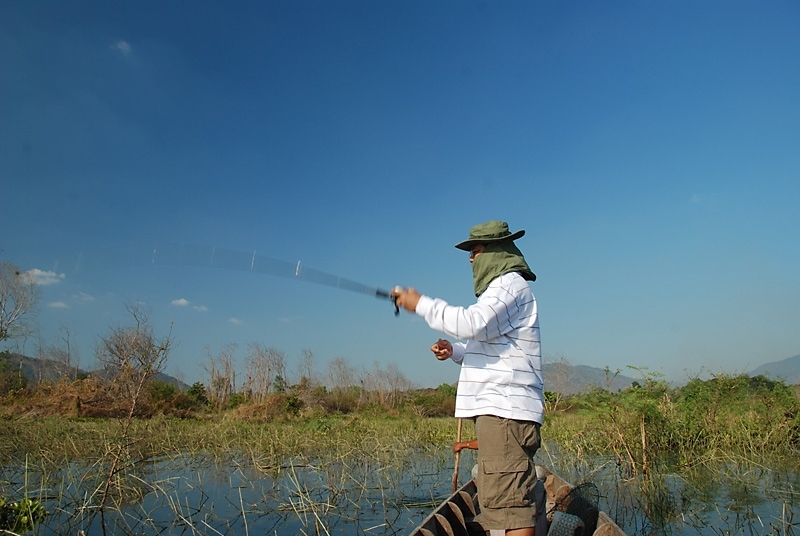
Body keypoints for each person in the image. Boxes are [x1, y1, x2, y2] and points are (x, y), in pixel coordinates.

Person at [392, 220, 543, 536]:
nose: (471, 259)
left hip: (504, 412)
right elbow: (487, 342)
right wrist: (456, 352)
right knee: (503, 502)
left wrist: (419, 303)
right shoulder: (501, 291)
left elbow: (472, 323)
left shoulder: (508, 285)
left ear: (495, 251)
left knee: (511, 509)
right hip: (500, 412)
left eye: (475, 251)